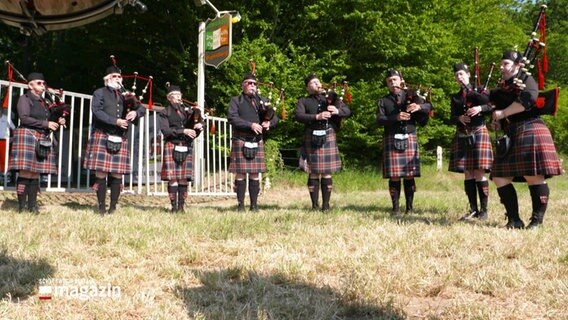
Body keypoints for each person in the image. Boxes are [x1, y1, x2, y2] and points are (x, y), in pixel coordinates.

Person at [489, 50, 563, 229]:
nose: (502, 67)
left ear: (518, 65)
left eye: (506, 63)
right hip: (512, 132)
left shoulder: (527, 79)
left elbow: (529, 99)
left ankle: (536, 220)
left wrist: (503, 113)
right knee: (499, 176)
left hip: (531, 128)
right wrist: (499, 122)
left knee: (533, 176)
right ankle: (514, 220)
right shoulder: (504, 87)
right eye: (502, 63)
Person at [83, 65, 145, 214]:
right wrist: (115, 121)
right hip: (102, 134)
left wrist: (135, 114)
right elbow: (97, 112)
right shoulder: (100, 93)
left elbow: (141, 109)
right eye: (114, 77)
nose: (118, 79)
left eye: (119, 77)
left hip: (120, 137)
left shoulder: (126, 95)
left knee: (117, 173)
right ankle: (101, 206)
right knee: (101, 173)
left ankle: (113, 207)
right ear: (107, 79)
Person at [376, 69, 432, 216]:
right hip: (392, 136)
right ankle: (395, 208)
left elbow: (429, 107)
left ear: (401, 80)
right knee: (394, 175)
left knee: (409, 174)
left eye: (395, 79)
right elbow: (379, 119)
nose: (393, 83)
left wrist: (418, 106)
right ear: (387, 84)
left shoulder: (412, 95)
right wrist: (396, 117)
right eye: (389, 81)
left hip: (409, 135)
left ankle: (410, 208)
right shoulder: (384, 101)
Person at [9, 72, 66, 213]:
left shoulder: (45, 102)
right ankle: (22, 206)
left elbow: (49, 117)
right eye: (39, 83)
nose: (42, 85)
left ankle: (32, 206)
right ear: (30, 85)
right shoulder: (24, 98)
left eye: (43, 83)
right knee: (25, 173)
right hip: (27, 135)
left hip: (40, 137)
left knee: (35, 173)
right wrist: (46, 124)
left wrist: (58, 120)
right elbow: (24, 118)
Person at [295, 74, 351, 211]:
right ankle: (314, 205)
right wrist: (316, 116)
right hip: (311, 134)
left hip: (328, 134)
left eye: (318, 82)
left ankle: (326, 205)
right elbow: (298, 115)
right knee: (313, 171)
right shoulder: (304, 101)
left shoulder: (331, 99)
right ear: (307, 87)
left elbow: (348, 111)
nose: (317, 84)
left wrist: (337, 111)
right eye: (313, 83)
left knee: (327, 172)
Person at [448, 62, 493, 220]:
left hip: (479, 131)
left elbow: (492, 105)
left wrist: (480, 108)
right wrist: (459, 118)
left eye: (461, 74)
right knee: (468, 172)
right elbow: (451, 117)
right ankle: (473, 209)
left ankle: (484, 210)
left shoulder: (480, 90)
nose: (459, 77)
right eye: (456, 75)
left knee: (479, 171)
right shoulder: (455, 97)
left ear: (468, 74)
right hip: (463, 133)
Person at [228, 73, 278, 211]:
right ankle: (240, 205)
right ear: (243, 85)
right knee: (241, 173)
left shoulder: (263, 101)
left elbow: (275, 118)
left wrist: (269, 123)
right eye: (249, 83)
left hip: (256, 140)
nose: (252, 86)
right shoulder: (236, 101)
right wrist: (250, 125)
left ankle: (254, 206)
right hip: (241, 139)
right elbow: (232, 118)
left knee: (255, 173)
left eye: (254, 84)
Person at [158, 85, 203, 212]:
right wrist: (183, 131)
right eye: (175, 95)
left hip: (186, 145)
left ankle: (181, 207)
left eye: (179, 95)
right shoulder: (164, 112)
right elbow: (166, 131)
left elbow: (197, 123)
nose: (178, 98)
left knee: (183, 178)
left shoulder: (187, 111)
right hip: (172, 144)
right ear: (169, 98)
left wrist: (199, 123)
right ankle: (174, 207)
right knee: (173, 177)